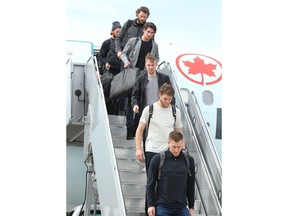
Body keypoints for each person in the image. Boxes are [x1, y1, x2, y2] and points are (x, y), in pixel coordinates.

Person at [121, 22, 159, 140]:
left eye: (152, 33)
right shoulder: (134, 41)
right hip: (132, 73)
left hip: (144, 75)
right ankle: (129, 127)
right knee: (130, 101)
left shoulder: (154, 45)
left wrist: (153, 67)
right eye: (148, 32)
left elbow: (157, 57)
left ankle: (135, 127)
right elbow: (124, 53)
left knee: (141, 102)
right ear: (144, 30)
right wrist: (125, 61)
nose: (150, 34)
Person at [146, 131, 195, 216]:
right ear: (168, 143)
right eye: (174, 147)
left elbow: (191, 185)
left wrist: (191, 207)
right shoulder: (157, 159)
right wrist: (150, 205)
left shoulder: (189, 161)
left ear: (182, 144)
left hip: (182, 207)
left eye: (179, 147)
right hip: (162, 207)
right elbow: (150, 184)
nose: (176, 150)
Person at [131, 53, 171, 140]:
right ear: (145, 65)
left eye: (152, 65)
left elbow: (171, 94)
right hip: (146, 112)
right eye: (148, 65)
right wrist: (135, 104)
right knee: (146, 138)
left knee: (161, 136)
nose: (150, 67)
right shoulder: (140, 79)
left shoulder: (164, 78)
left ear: (156, 64)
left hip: (161, 112)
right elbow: (135, 95)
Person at [98, 21, 124, 115]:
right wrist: (105, 63)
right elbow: (100, 56)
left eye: (120, 32)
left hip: (120, 70)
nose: (119, 33)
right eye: (117, 31)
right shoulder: (106, 42)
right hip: (109, 70)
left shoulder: (122, 43)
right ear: (112, 32)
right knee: (108, 88)